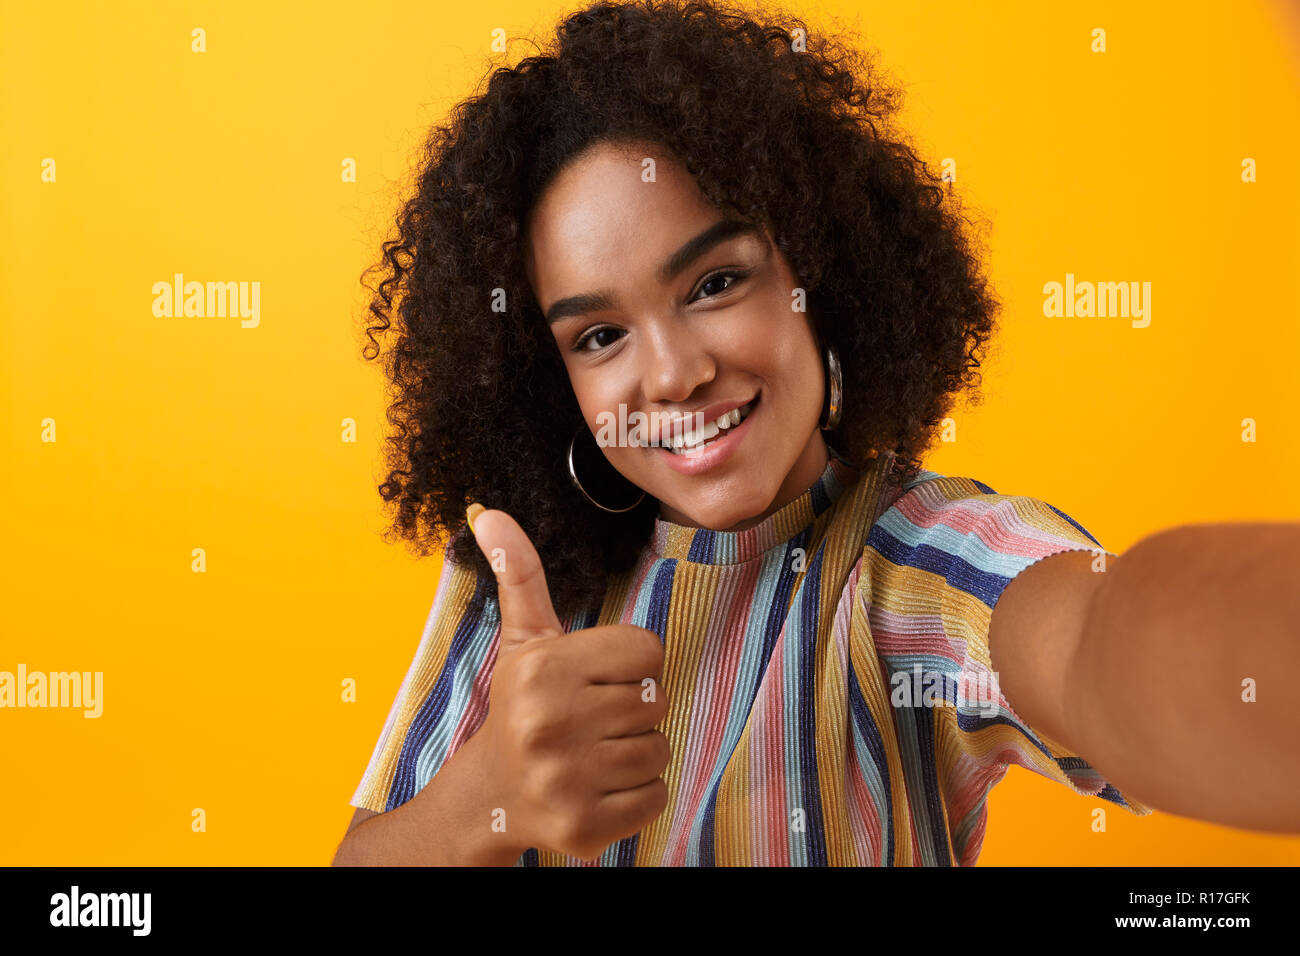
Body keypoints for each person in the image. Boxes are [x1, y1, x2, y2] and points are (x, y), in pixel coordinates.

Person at [332, 0, 1300, 866]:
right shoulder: (519, 580)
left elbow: (1097, 643)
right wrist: (483, 799)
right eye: (599, 334)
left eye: (714, 282)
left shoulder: (912, 570)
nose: (671, 372)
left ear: (817, 278)